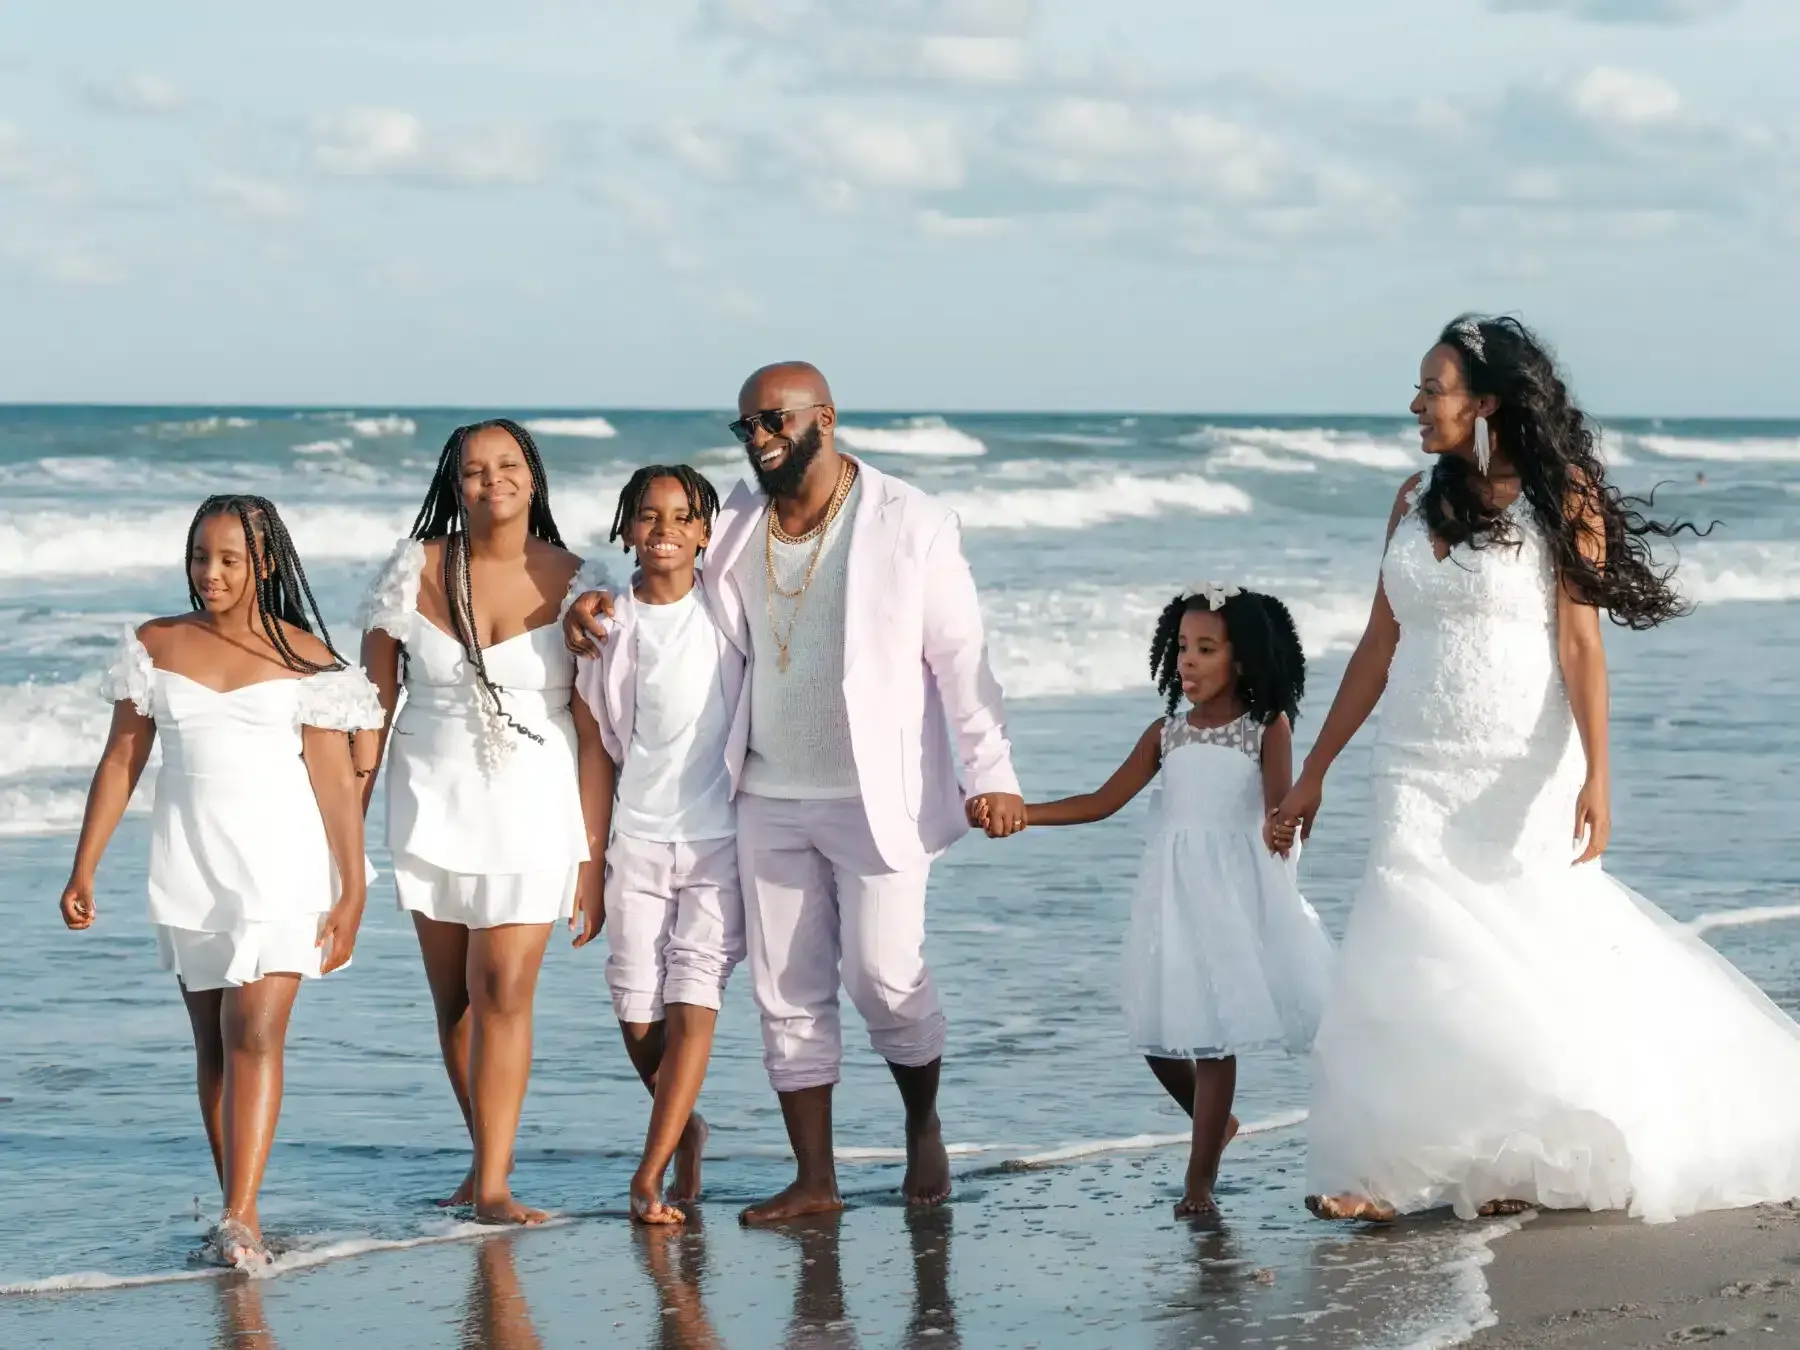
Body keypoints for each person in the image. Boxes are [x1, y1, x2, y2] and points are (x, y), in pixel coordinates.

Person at [1276, 314, 1800, 1224]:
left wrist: (1600, 774)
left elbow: (1580, 645)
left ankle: (1528, 1140)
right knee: (1406, 946)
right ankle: (1387, 1169)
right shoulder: (1411, 499)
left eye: (1431, 389)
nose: (1415, 404)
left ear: (1484, 402)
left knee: (1523, 948)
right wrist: (1315, 765)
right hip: (1412, 758)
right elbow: (1378, 642)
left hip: (1518, 759)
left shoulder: (1562, 499)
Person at [566, 362, 1024, 1223]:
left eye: (774, 422)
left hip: (875, 792)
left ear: (826, 417)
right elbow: (656, 558)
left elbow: (960, 660)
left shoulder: (912, 521)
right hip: (765, 793)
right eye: (747, 428)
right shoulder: (735, 518)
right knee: (787, 991)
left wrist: (990, 773)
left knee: (884, 975)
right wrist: (589, 598)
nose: (760, 440)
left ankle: (922, 1118)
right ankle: (816, 1178)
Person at [59, 494, 382, 1268]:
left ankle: (238, 1216)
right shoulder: (155, 644)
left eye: (230, 558)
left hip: (285, 865)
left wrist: (352, 887)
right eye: (202, 555)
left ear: (264, 563)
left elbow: (337, 784)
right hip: (191, 863)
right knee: (213, 1045)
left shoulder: (306, 657)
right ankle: (242, 1202)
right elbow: (122, 760)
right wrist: (84, 864)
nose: (211, 572)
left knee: (255, 1032)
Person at [987, 584, 1331, 1219]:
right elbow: (1101, 801)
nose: (1188, 662)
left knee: (1213, 1038)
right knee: (1156, 1033)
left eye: (1206, 648)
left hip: (1232, 899)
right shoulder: (1166, 734)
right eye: (1181, 648)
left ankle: (1199, 1180)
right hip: (1171, 901)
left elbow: (1280, 806)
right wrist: (1022, 814)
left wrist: (1285, 824)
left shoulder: (1264, 729)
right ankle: (1216, 1123)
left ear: (1244, 658)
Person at [358, 418, 612, 1226]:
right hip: (430, 798)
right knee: (454, 1003)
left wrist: (592, 858)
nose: (490, 480)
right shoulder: (411, 570)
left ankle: (495, 1185)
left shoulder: (581, 580)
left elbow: (595, 732)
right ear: (453, 484)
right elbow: (372, 707)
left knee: (501, 988)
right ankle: (483, 1161)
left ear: (532, 478)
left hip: (537, 808)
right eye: (472, 470)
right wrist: (341, 830)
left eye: (507, 465)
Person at [574, 464, 745, 1225]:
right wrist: (588, 860)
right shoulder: (609, 626)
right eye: (649, 515)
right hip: (637, 838)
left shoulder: (731, 609)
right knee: (636, 1009)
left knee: (693, 998)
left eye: (684, 516)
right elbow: (595, 744)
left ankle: (650, 1172)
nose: (666, 528)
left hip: (722, 838)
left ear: (707, 532)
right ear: (626, 529)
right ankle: (686, 1124)